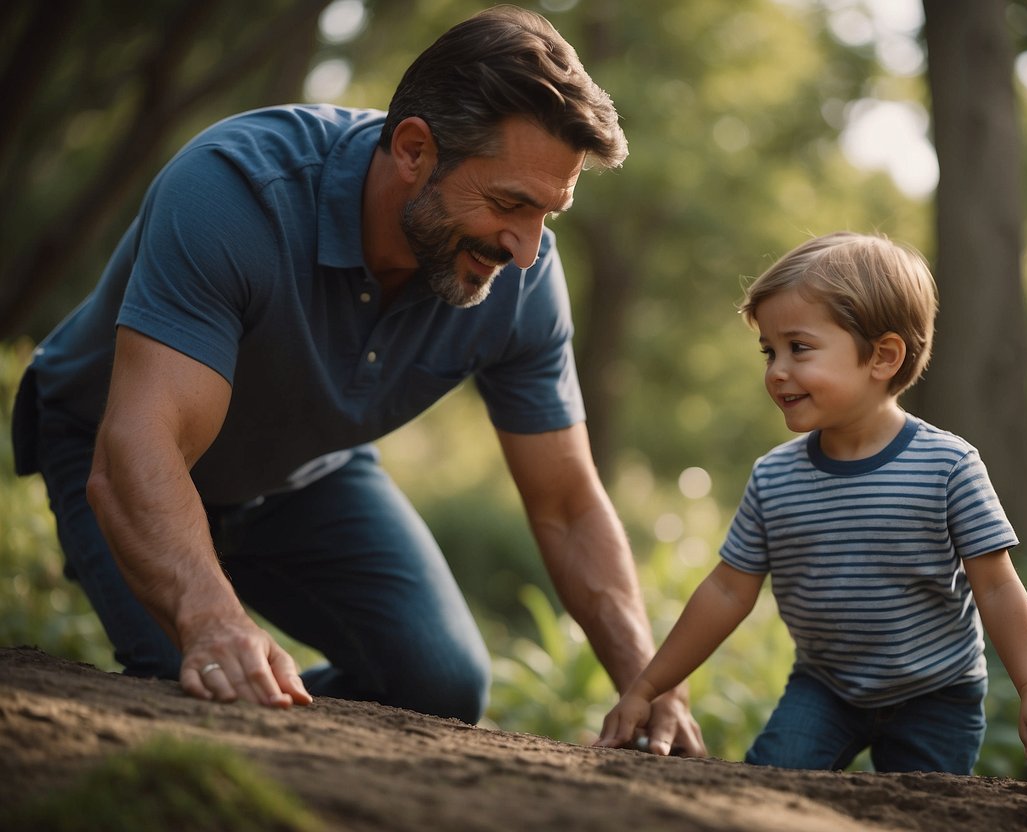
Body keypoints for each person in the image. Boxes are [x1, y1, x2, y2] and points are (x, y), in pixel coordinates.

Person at [10, 5, 704, 755]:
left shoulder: (521, 282)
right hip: (118, 449)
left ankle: (277, 699)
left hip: (305, 472)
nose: (526, 249)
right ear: (412, 149)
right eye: (508, 204)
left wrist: (649, 679)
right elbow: (142, 444)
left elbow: (567, 505)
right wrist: (212, 619)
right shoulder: (235, 191)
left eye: (549, 212)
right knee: (190, 672)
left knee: (440, 685)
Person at [595, 231, 1027, 773]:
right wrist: (648, 687)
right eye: (769, 351)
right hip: (823, 690)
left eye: (798, 348)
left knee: (922, 812)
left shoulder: (949, 467)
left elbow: (995, 583)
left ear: (882, 356)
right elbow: (728, 590)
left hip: (936, 694)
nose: (776, 370)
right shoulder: (774, 476)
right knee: (768, 788)